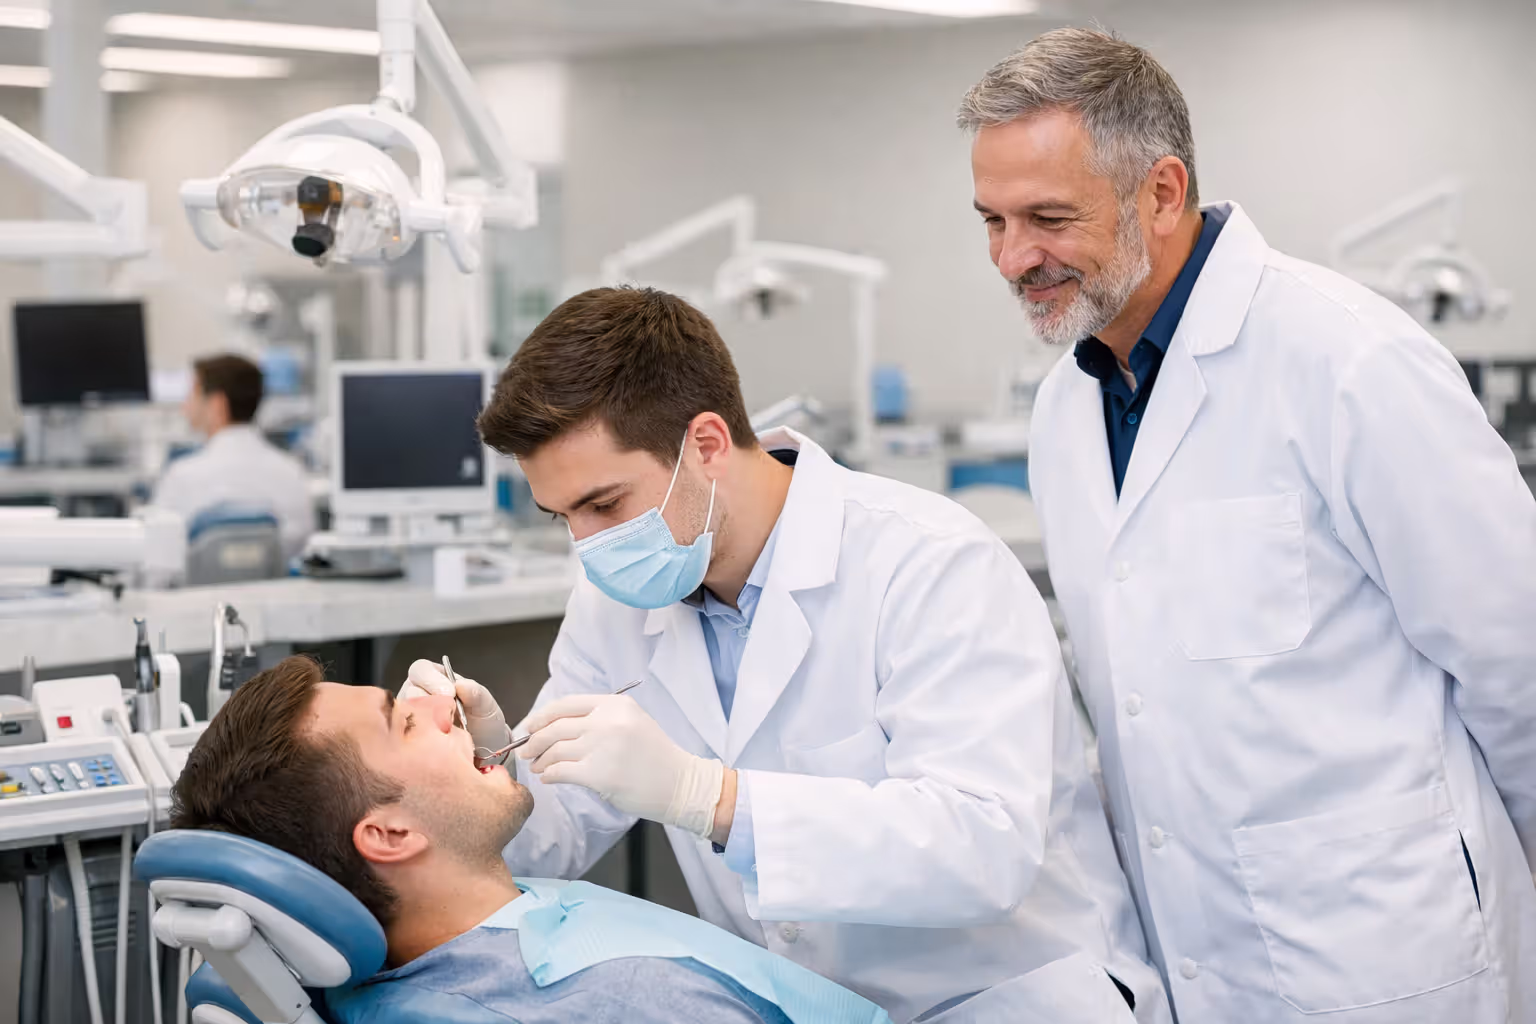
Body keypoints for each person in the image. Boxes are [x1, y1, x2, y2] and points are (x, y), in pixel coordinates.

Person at [960, 27, 1536, 1024]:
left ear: (1163, 191)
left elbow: (1519, 665)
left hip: (1386, 955)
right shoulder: (1065, 413)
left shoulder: (1347, 362)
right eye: (992, 221)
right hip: (1191, 957)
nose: (1015, 257)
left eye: (1047, 217)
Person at [402, 285, 1167, 1024]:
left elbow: (981, 852)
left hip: (1004, 1000)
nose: (588, 544)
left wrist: (712, 799)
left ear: (704, 445)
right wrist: (487, 769)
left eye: (604, 505)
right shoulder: (616, 600)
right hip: (804, 1003)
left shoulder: (930, 563)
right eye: (561, 515)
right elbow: (555, 838)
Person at [170, 655, 890, 1024]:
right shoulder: (622, 1003)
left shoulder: (416, 961)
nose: (440, 701)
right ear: (388, 833)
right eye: (404, 719)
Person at [152, 354, 314, 562]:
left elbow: (157, 564)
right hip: (273, 592)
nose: (185, 406)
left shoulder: (182, 477)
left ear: (217, 405)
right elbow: (302, 554)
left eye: (192, 394)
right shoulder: (291, 472)